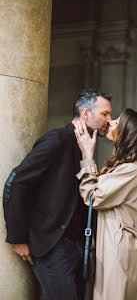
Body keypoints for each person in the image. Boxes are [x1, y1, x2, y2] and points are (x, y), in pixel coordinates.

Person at [3, 89, 112, 300]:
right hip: (53, 247)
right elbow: (18, 183)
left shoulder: (86, 145)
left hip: (80, 247)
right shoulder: (57, 139)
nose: (109, 119)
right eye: (105, 114)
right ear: (86, 114)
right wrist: (18, 238)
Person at [74, 108, 137, 300]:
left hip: (120, 252)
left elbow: (92, 197)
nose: (110, 122)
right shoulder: (124, 165)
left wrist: (87, 155)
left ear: (126, 135)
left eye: (117, 123)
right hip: (118, 247)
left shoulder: (130, 169)